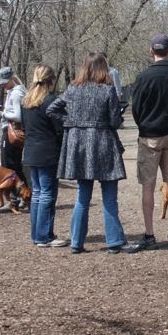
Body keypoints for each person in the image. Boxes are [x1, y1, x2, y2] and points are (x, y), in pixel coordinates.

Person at [48, 52, 132, 254]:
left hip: (80, 147)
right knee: (109, 198)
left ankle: (76, 242)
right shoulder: (107, 91)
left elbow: (51, 109)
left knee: (82, 197)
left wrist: (72, 124)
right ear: (104, 69)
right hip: (103, 144)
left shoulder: (72, 89)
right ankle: (114, 242)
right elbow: (114, 122)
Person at [126, 33, 168, 252]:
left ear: (151, 50)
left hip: (149, 136)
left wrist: (145, 124)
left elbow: (136, 108)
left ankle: (150, 233)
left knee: (148, 186)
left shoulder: (143, 77)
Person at [21, 64, 67, 248]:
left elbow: (24, 127)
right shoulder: (51, 101)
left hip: (31, 151)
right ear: (52, 80)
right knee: (47, 194)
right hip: (48, 152)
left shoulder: (25, 102)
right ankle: (45, 236)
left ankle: (37, 234)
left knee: (38, 193)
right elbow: (60, 128)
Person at [0, 66, 27, 189]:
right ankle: (22, 194)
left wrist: (1, 114)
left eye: (5, 82)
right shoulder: (14, 91)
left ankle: (16, 197)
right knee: (14, 165)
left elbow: (18, 116)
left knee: (9, 166)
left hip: (11, 132)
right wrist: (0, 107)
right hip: (10, 130)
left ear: (11, 79)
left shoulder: (16, 93)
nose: (3, 85)